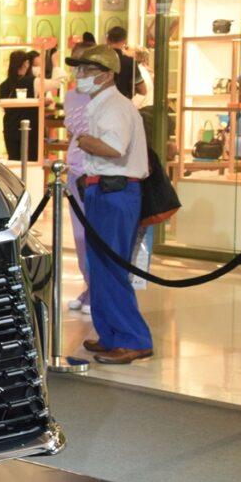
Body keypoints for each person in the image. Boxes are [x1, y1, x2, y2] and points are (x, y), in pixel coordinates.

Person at [68, 44, 153, 365]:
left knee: (111, 268)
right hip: (102, 191)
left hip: (115, 192)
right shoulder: (101, 104)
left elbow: (114, 147)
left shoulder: (114, 106)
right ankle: (112, 334)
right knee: (100, 268)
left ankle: (133, 338)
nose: (80, 75)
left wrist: (86, 142)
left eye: (87, 70)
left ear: (106, 75)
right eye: (79, 69)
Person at [63, 43, 93, 314]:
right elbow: (73, 132)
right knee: (79, 234)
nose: (79, 72)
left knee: (94, 235)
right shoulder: (71, 96)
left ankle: (97, 291)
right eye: (77, 67)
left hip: (96, 173)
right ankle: (88, 286)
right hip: (75, 170)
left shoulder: (108, 100)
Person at [0, 50, 38, 160]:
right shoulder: (32, 82)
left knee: (14, 161)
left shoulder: (3, 86)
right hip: (29, 130)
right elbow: (56, 83)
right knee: (30, 162)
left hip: (9, 128)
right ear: (26, 63)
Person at [106, 26, 146, 100]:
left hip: (102, 103)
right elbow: (143, 90)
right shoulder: (130, 62)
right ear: (124, 41)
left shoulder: (99, 60)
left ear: (107, 40)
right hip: (123, 102)